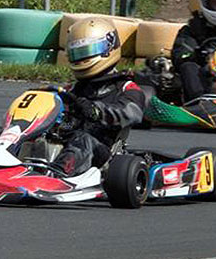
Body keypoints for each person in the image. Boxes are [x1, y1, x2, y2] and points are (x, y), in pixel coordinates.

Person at [51, 18, 146, 177]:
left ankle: (56, 175)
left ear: (108, 48)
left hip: (104, 157)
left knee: (82, 139)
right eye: (77, 53)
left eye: (85, 52)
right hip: (65, 144)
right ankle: (3, 165)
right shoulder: (71, 90)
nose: (81, 59)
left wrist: (96, 111)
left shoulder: (126, 88)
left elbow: (131, 113)